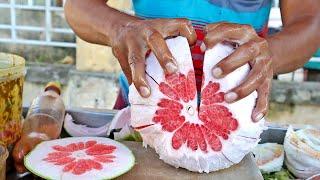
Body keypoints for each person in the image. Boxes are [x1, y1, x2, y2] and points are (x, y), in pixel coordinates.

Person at [64, 0, 320, 122]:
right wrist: (119, 28)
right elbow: (77, 6)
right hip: (141, 110)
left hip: (236, 120)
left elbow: (310, 21)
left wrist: (270, 53)